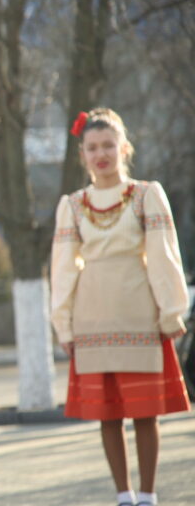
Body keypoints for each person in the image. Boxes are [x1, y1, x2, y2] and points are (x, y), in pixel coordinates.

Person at [51, 108, 191, 506]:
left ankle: (148, 494)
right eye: (92, 147)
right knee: (108, 412)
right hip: (91, 314)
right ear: (82, 154)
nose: (101, 154)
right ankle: (124, 495)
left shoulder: (147, 194)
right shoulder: (73, 205)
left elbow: (164, 256)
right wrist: (63, 324)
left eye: (108, 145)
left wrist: (170, 310)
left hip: (139, 309)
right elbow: (62, 269)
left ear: (124, 148)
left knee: (145, 410)